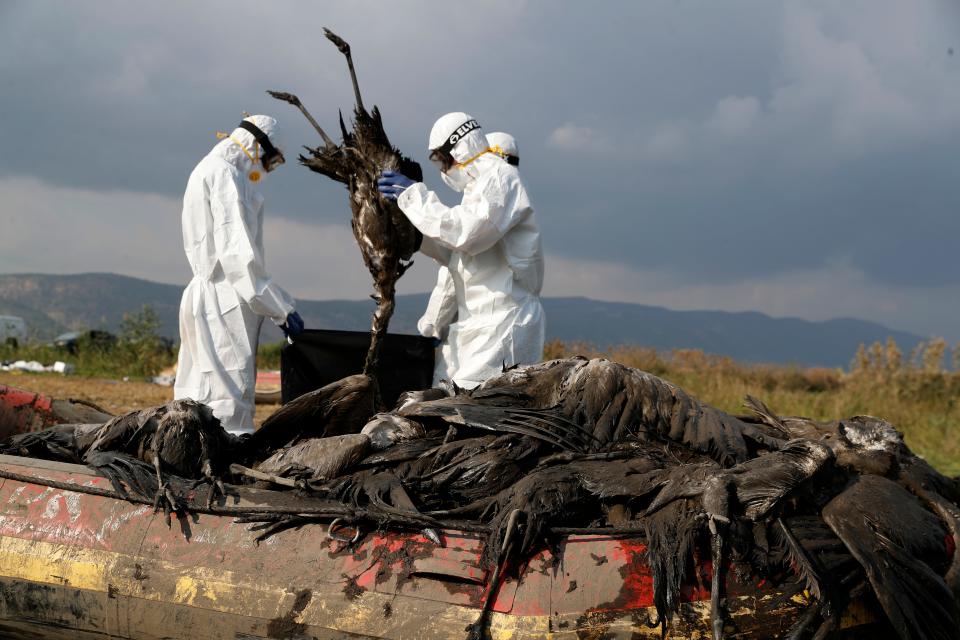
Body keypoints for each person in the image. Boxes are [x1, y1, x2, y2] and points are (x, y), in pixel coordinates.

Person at [378, 113, 544, 388]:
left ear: (458, 147)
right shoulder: (477, 188)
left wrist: (413, 197)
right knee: (442, 398)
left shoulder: (501, 179)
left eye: (443, 159)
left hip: (504, 321)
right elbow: (457, 260)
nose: (443, 169)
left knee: (473, 411)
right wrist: (414, 236)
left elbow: (468, 234)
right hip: (474, 325)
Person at [174, 115, 304, 435]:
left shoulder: (207, 167)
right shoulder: (227, 175)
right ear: (257, 146)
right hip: (225, 300)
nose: (267, 170)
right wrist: (281, 308)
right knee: (228, 400)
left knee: (195, 393)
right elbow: (238, 257)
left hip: (202, 294)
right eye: (270, 160)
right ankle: (226, 472)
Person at [417, 131, 522, 365]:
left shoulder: (486, 203)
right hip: (516, 334)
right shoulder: (515, 205)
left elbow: (453, 277)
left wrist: (431, 327)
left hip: (475, 342)